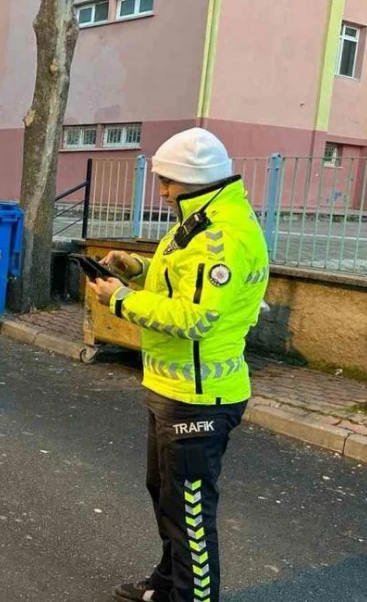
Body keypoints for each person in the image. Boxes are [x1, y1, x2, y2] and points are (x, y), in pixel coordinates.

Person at [89, 128, 269, 602]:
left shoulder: (221, 237)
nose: (162, 191)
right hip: (171, 390)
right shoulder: (196, 221)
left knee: (190, 513)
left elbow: (198, 317)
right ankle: (168, 584)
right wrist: (137, 270)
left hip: (200, 399)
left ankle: (191, 596)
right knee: (166, 496)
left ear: (192, 179)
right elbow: (182, 286)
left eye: (167, 181)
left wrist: (122, 301)